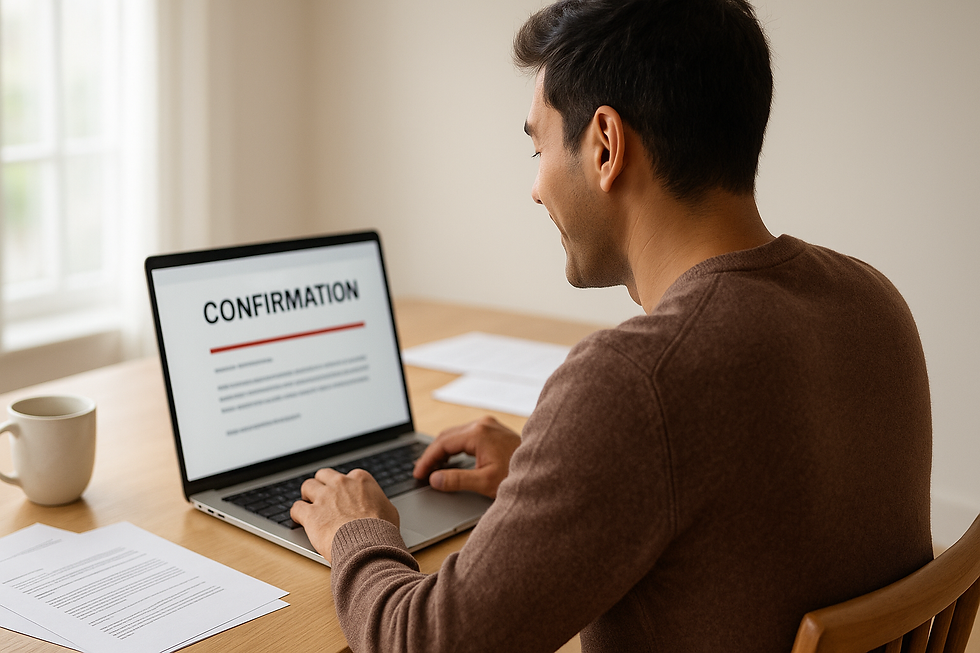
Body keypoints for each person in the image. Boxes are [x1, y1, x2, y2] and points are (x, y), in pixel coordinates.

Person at [290, 0, 933, 651]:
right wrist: (554, 478)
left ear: (605, 145)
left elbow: (425, 641)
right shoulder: (874, 303)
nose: (536, 188)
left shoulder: (633, 385)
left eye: (538, 145)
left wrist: (357, 527)